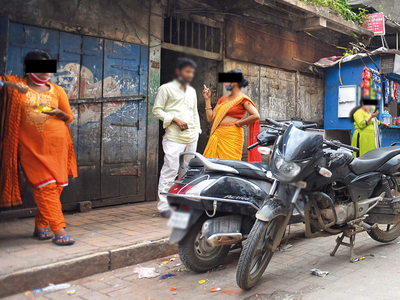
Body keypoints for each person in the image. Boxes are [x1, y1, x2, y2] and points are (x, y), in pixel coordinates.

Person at [0, 50, 77, 245]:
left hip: (59, 148)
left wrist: (58, 112)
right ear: (27, 68)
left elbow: (69, 117)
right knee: (46, 188)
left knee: (57, 187)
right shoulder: (14, 84)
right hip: (31, 149)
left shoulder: (57, 90)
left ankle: (40, 227)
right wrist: (9, 84)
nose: (45, 73)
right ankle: (59, 230)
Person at [152, 58, 201, 218]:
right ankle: (164, 206)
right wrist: (175, 119)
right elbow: (157, 110)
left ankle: (181, 203)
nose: (190, 75)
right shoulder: (165, 89)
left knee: (186, 171)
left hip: (191, 136)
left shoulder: (192, 91)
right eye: (187, 71)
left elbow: (194, 112)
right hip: (174, 137)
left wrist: (197, 130)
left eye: (192, 72)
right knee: (170, 169)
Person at [202, 69, 261, 161]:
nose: (225, 83)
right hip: (218, 135)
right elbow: (211, 118)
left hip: (232, 136)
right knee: (212, 164)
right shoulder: (223, 99)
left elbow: (256, 115)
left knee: (230, 164)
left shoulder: (243, 99)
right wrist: (207, 99)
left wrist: (239, 123)